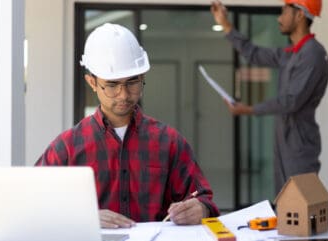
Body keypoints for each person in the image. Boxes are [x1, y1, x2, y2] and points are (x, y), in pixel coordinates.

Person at [36, 23, 219, 228]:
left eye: (132, 82)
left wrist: (200, 209)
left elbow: (204, 200)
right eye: (112, 85)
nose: (124, 95)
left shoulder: (169, 142)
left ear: (142, 78)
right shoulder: (67, 147)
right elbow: (34, 204)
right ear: (92, 82)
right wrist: (85, 217)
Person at [211, 0, 328, 193]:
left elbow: (291, 101)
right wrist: (225, 24)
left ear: (300, 15)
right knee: (285, 202)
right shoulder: (292, 53)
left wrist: (248, 110)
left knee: (301, 201)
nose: (279, 18)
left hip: (299, 144)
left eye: (284, 12)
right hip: (285, 139)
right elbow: (254, 54)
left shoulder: (313, 54)